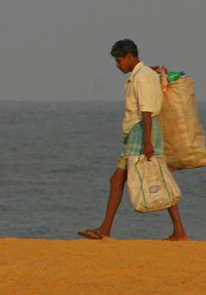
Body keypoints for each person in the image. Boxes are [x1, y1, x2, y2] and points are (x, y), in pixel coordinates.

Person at [78, 38, 189, 241]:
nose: (117, 65)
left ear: (130, 57)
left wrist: (147, 143)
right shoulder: (143, 75)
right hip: (139, 132)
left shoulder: (142, 77)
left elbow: (146, 111)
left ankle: (106, 229)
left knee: (151, 177)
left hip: (142, 131)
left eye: (119, 60)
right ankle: (106, 229)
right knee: (125, 179)